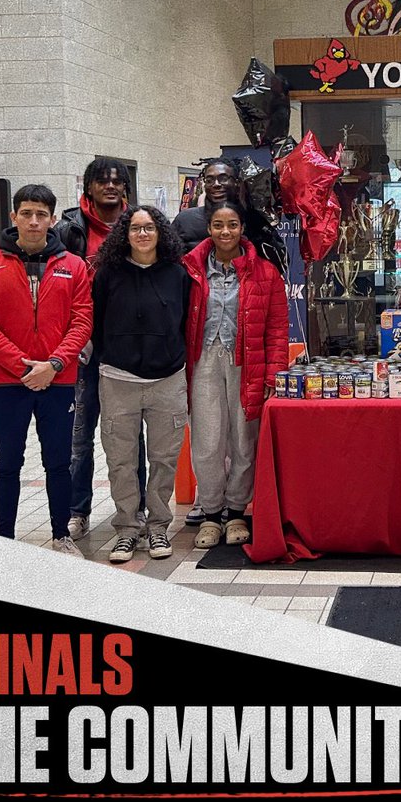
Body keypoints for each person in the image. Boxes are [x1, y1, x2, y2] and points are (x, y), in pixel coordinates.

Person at [0, 184, 92, 557]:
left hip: (58, 380)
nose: (34, 221)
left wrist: (54, 364)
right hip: (9, 382)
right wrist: (23, 366)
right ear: (14, 217)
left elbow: (82, 320)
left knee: (57, 460)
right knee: (7, 462)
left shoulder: (73, 266)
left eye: (42, 214)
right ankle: (4, 537)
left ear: (53, 219)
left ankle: (60, 534)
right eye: (27, 213)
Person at [182, 200, 288, 549]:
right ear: (208, 228)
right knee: (207, 441)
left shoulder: (265, 272)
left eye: (231, 225)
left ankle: (237, 511)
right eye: (217, 225)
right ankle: (211, 514)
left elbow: (276, 329)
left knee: (244, 441)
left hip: (248, 362)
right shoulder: (190, 268)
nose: (224, 232)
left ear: (242, 228)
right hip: (203, 362)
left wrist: (275, 375)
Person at [91, 206, 192, 563]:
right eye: (135, 228)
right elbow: (96, 322)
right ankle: (127, 530)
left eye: (149, 228)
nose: (143, 234)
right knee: (121, 460)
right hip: (118, 380)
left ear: (160, 232)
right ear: (125, 234)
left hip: (168, 378)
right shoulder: (108, 274)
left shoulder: (177, 274)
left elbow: (185, 324)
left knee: (163, 459)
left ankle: (159, 527)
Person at [54, 157, 144, 541]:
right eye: (102, 181)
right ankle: (78, 510)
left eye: (116, 181)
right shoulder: (69, 229)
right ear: (88, 187)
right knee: (80, 435)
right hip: (82, 348)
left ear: (125, 187)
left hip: (126, 347)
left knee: (129, 435)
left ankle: (135, 509)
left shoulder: (139, 225)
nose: (110, 186)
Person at [173, 157, 241, 529]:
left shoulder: (251, 217)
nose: (217, 184)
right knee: (205, 428)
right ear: (201, 182)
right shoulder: (185, 223)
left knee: (241, 432)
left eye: (225, 178)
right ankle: (206, 498)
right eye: (211, 178)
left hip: (239, 337)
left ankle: (237, 502)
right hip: (199, 335)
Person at [173, 158, 239, 251]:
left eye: (223, 179)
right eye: (209, 180)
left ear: (236, 182)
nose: (216, 184)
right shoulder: (186, 220)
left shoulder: (252, 219)